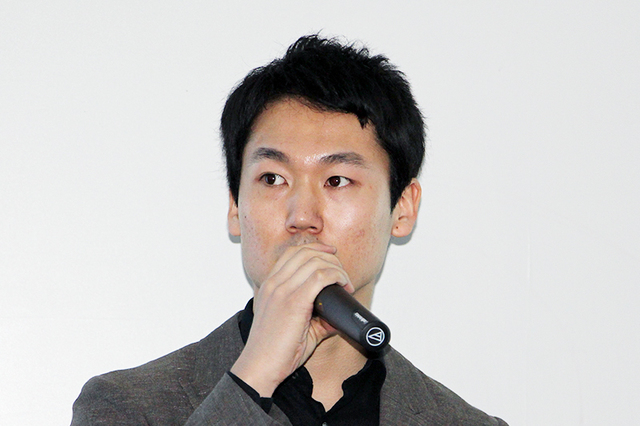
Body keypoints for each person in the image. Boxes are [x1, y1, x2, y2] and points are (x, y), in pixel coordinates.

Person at [71, 35, 508, 426]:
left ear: (403, 209)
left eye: (337, 180)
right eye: (273, 179)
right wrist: (253, 376)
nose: (302, 216)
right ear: (235, 206)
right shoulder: (127, 407)